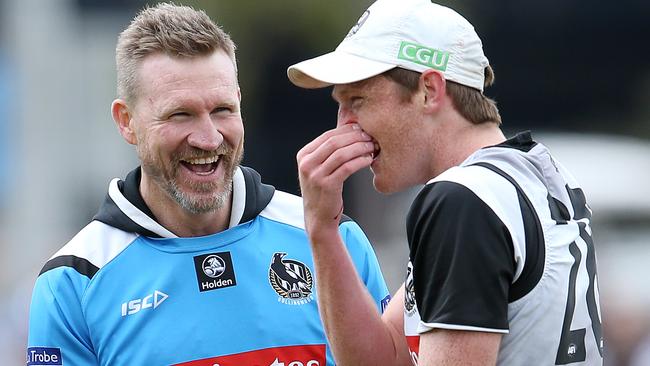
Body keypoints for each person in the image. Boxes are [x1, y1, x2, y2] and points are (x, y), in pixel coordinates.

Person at [27, 3, 390, 365]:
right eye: (180, 114)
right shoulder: (74, 281)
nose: (209, 138)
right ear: (127, 122)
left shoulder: (334, 239)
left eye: (222, 110)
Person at [287, 0, 604, 365]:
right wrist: (322, 229)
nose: (344, 126)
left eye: (357, 100)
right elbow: (387, 357)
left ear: (429, 90)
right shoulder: (537, 173)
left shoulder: (463, 200)